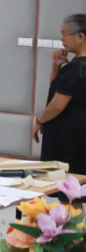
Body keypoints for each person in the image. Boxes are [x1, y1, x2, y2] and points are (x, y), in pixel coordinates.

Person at [36, 14, 86, 174]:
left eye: (65, 34)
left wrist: (39, 121)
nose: (61, 39)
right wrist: (56, 67)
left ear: (81, 37)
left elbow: (57, 105)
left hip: (68, 137)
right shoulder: (74, 66)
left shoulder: (77, 68)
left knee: (62, 180)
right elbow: (58, 87)